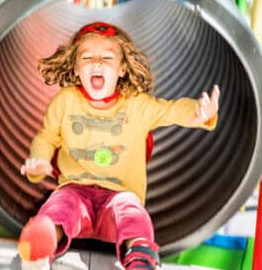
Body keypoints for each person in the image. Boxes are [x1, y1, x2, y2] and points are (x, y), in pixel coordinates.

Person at [18, 21, 220, 270]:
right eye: (87, 56)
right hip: (75, 189)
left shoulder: (136, 104)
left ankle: (140, 257)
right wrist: (38, 164)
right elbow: (46, 137)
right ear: (76, 66)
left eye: (107, 57)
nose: (97, 63)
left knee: (133, 214)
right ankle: (40, 249)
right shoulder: (66, 101)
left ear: (123, 68)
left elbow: (170, 111)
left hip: (119, 194)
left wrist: (199, 113)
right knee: (59, 206)